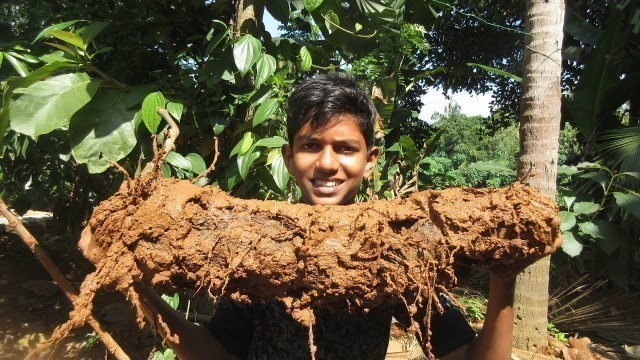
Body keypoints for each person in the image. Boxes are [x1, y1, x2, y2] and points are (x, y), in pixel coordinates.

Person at [79, 73, 550, 359]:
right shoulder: (256, 246)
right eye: (311, 146)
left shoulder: (397, 249)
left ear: (370, 160)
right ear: (289, 157)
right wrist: (139, 287)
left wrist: (502, 281)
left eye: (345, 148)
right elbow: (218, 356)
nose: (327, 163)